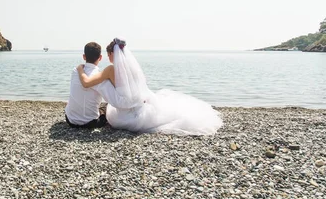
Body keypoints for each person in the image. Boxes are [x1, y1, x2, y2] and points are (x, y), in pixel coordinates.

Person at [77, 38, 223, 135]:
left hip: (124, 116)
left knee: (103, 88)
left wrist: (80, 70)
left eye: (109, 55)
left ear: (111, 54)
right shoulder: (133, 69)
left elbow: (86, 83)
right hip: (139, 108)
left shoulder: (109, 70)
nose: (109, 58)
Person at [64, 42, 135, 128]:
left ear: (84, 56)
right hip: (90, 122)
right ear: (100, 57)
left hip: (70, 119)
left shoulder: (75, 71)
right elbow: (113, 99)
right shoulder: (100, 78)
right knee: (107, 107)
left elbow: (85, 83)